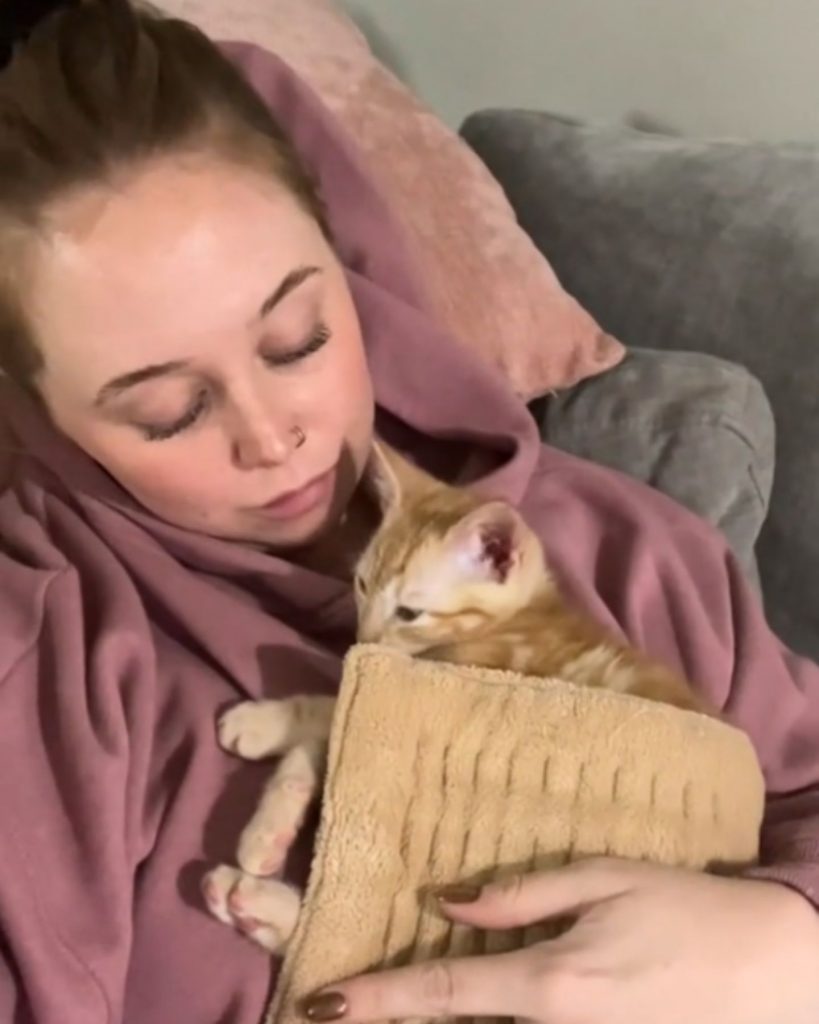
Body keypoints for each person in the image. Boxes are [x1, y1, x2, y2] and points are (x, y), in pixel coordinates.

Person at [0, 3, 816, 1024]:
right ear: (39, 421)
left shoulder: (619, 552)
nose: (272, 435)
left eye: (298, 337)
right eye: (171, 411)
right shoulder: (47, 678)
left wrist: (791, 941)